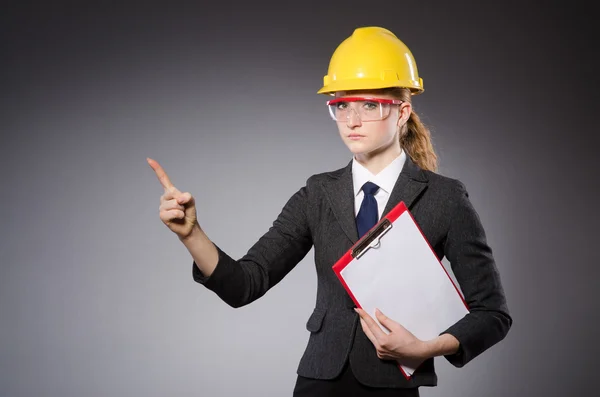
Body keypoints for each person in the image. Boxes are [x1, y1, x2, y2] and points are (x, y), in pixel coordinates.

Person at [147, 26, 511, 396]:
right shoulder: (318, 193)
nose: (351, 120)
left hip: (392, 387)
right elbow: (245, 283)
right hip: (318, 383)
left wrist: (425, 348)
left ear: (402, 112)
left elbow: (492, 314)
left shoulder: (444, 198)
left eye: (369, 105)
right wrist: (191, 234)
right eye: (341, 105)